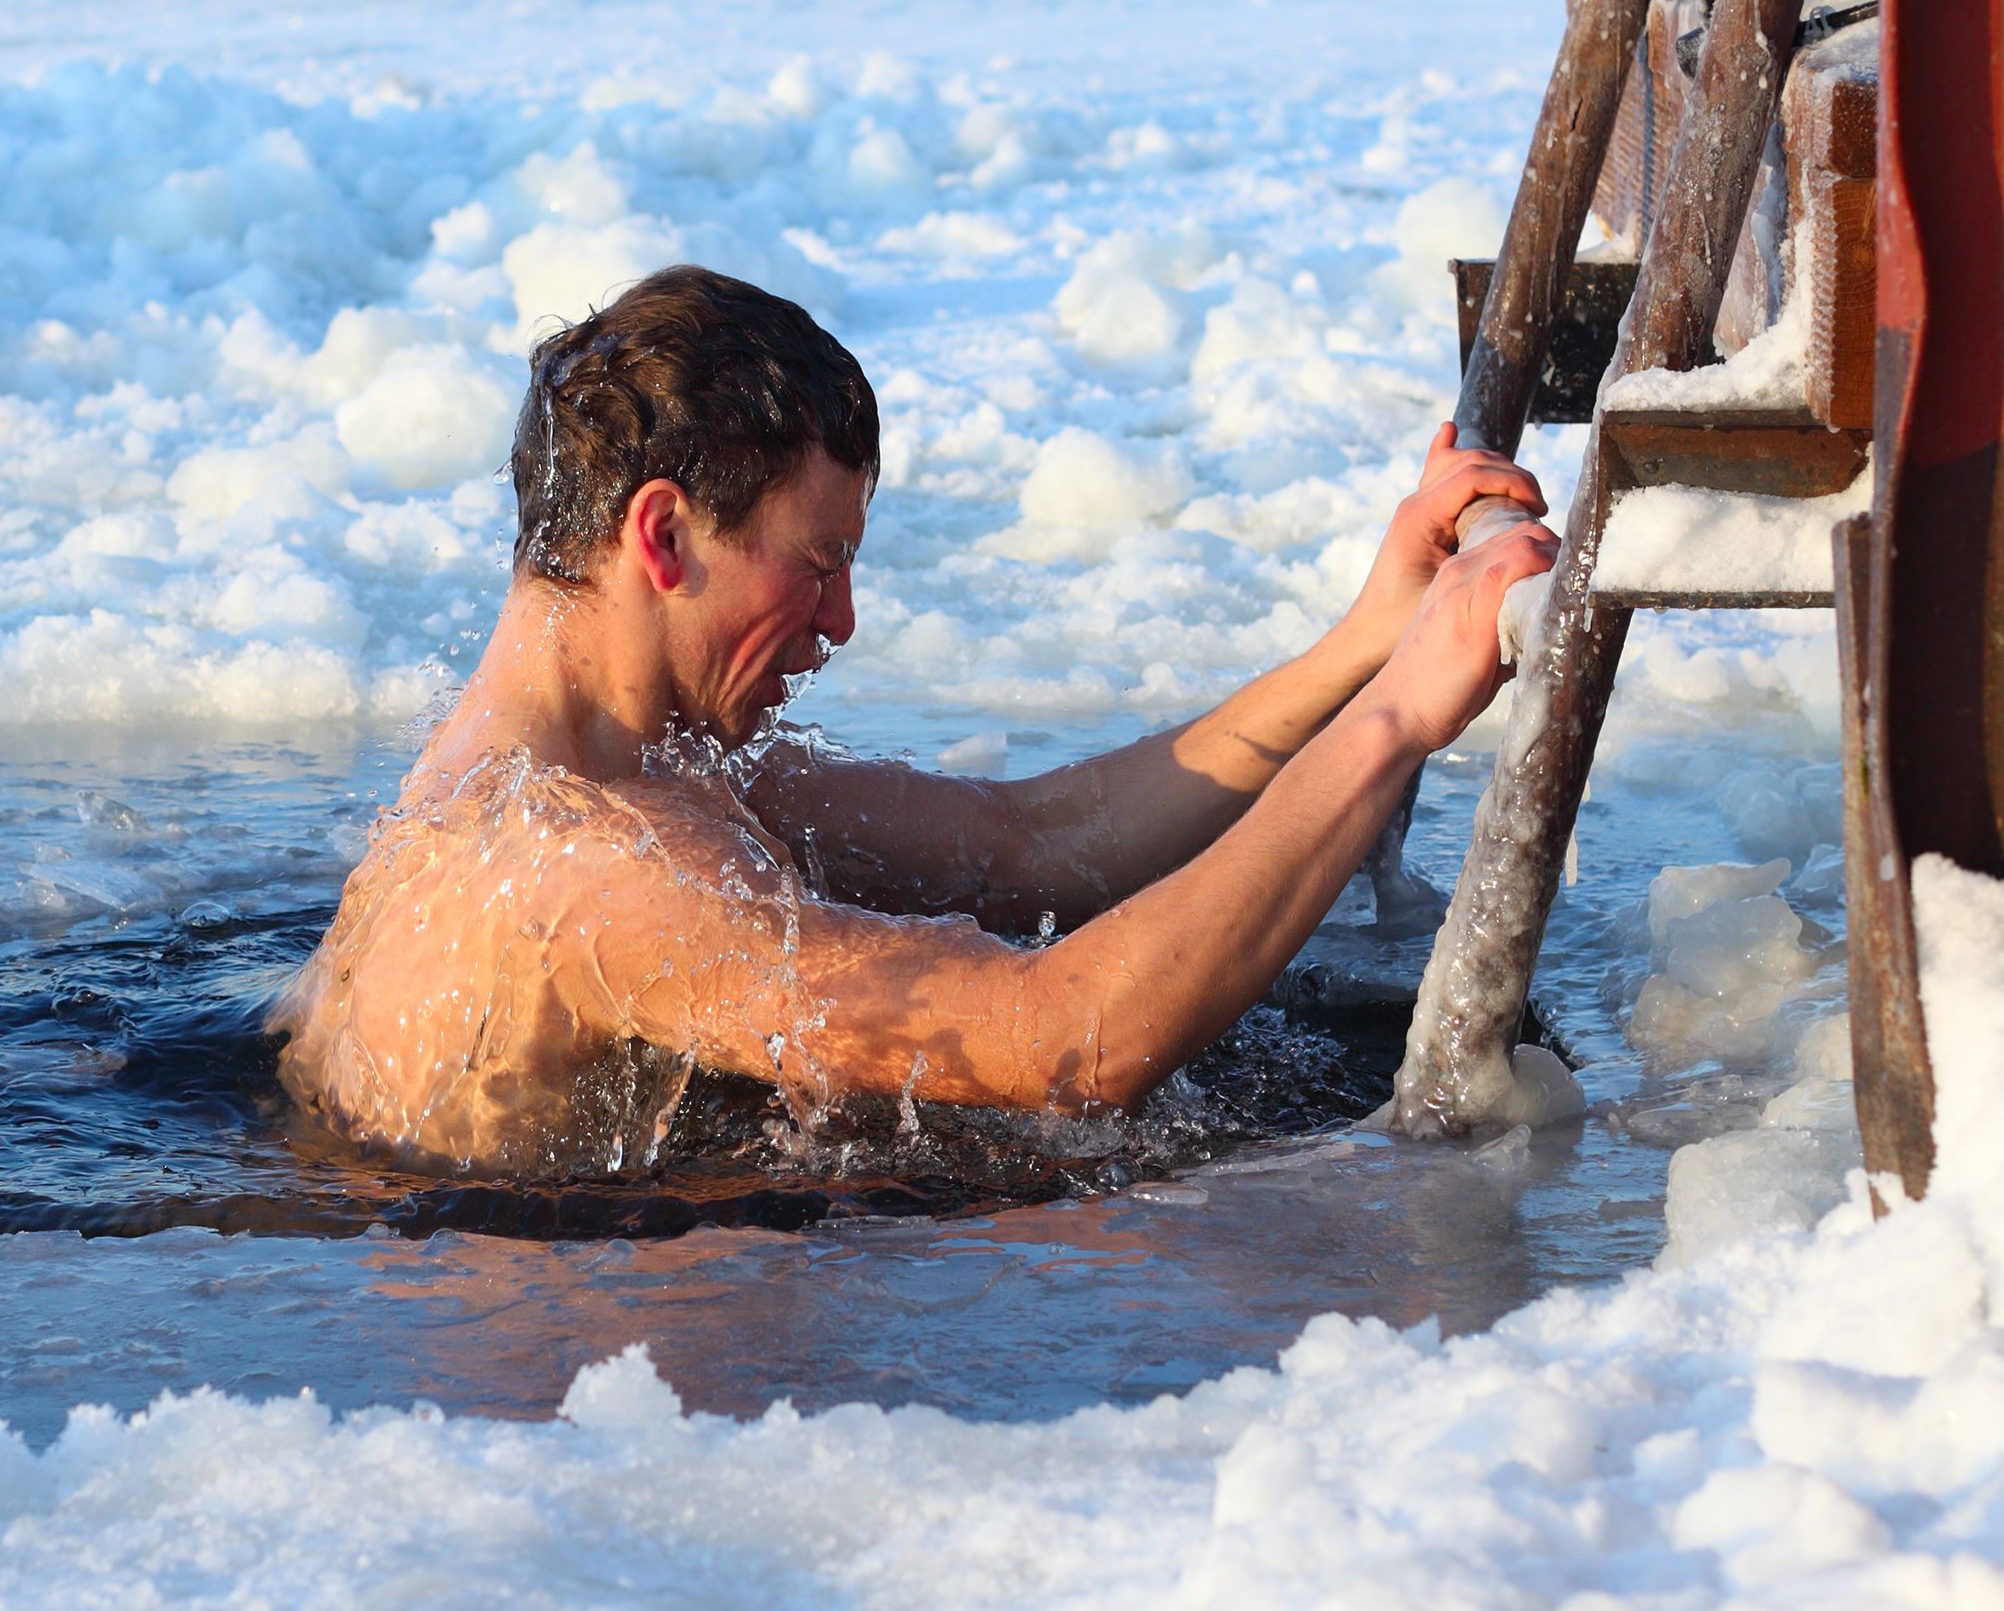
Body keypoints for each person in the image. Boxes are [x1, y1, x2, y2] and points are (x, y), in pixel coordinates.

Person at [274, 266, 1553, 1176]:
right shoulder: (594, 870)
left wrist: (1363, 643)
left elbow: (1027, 843)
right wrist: (1392, 722)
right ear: (662, 534)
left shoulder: (584, 775)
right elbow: (1066, 1044)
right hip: (584, 1401)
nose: (839, 623)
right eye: (816, 562)